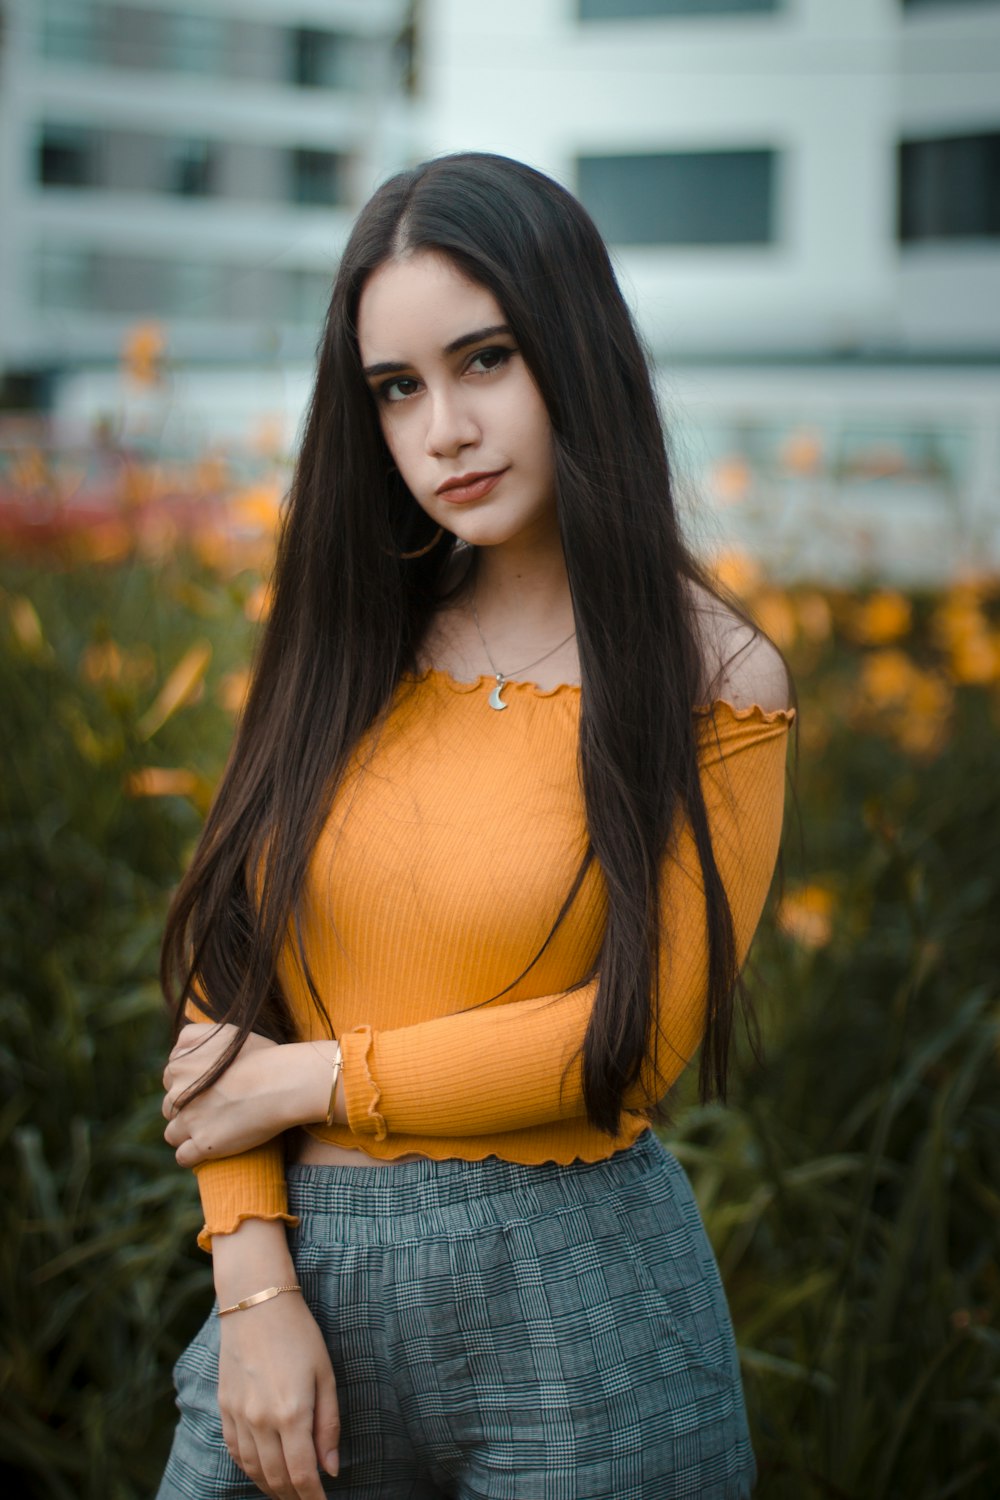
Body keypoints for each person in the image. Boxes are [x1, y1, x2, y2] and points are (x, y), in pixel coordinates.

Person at [157, 151, 794, 1500]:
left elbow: (634, 1038)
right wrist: (255, 1281)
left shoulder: (713, 680)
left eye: (485, 360)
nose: (443, 428)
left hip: (585, 1331)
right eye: (397, 388)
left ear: (575, 347)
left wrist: (311, 1076)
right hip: (295, 1311)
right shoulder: (346, 639)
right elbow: (227, 986)